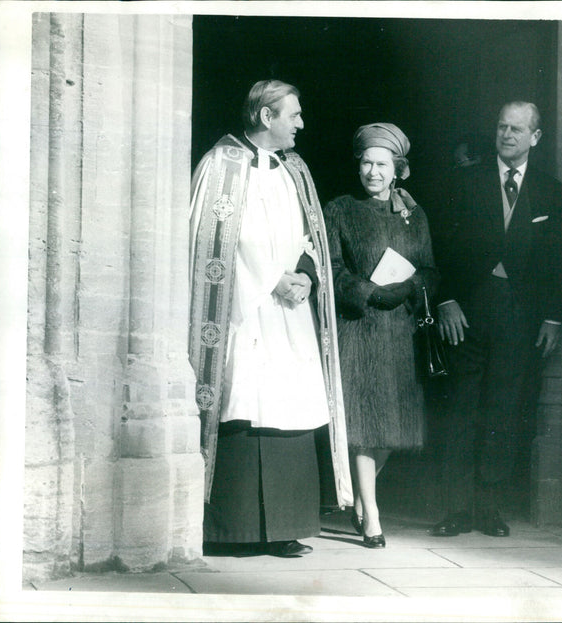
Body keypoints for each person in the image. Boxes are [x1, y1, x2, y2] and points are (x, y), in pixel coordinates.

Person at [188, 79, 352, 558]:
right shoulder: (221, 165)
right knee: (246, 403)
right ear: (266, 116)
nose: (301, 124)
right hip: (245, 311)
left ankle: (285, 527)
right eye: (294, 115)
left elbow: (310, 235)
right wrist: (269, 279)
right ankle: (229, 530)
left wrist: (304, 274)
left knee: (291, 407)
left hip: (290, 312)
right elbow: (212, 240)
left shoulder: (294, 169)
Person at [429, 101, 562, 537]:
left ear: (535, 137)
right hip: (466, 311)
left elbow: (557, 258)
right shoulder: (464, 181)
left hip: (520, 315)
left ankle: (488, 509)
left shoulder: (550, 190)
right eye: (502, 127)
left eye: (517, 129)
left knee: (502, 410)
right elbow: (439, 247)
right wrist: (446, 299)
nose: (507, 135)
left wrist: (552, 319)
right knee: (461, 408)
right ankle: (455, 510)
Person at [323, 123, 438, 548]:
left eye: (382, 164)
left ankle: (357, 497)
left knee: (396, 430)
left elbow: (430, 269)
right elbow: (331, 269)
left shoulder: (414, 213)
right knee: (367, 425)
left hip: (400, 332)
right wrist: (368, 292)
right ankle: (371, 514)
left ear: (397, 169)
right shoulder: (339, 209)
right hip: (361, 329)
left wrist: (409, 288)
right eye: (367, 162)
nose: (372, 171)